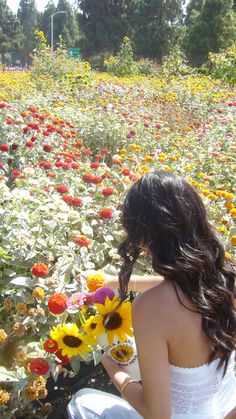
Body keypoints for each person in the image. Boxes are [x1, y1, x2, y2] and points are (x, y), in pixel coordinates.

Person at [68, 170, 236, 419]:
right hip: (225, 409)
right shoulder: (224, 278)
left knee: (82, 402)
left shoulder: (151, 306)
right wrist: (114, 281)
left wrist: (113, 370)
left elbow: (157, 413)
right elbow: (180, 287)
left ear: (143, 233)